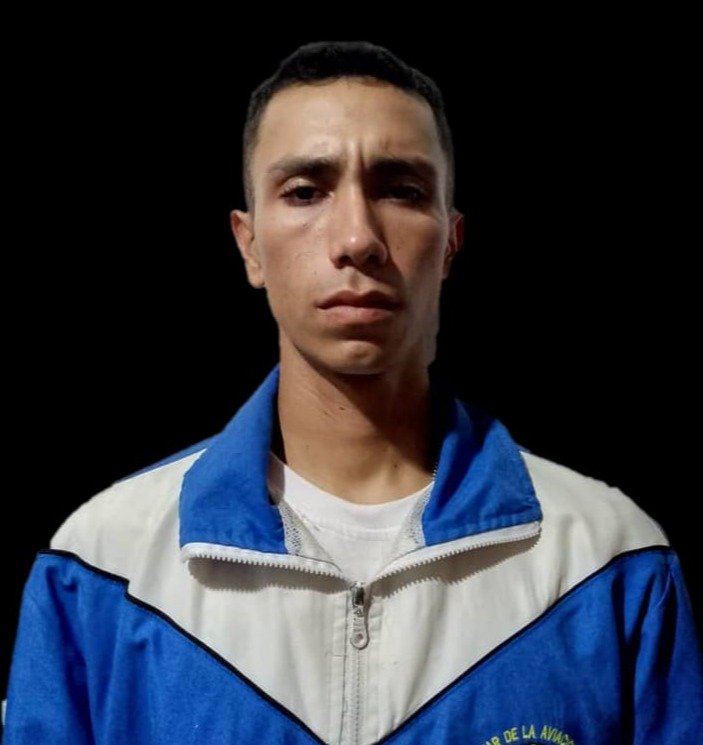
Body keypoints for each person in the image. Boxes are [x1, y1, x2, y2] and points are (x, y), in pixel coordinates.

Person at [2, 40, 701, 744]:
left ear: (451, 241)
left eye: (401, 190)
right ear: (248, 244)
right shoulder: (105, 566)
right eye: (305, 191)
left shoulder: (605, 561)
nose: (358, 238)